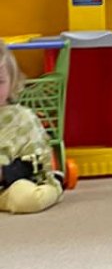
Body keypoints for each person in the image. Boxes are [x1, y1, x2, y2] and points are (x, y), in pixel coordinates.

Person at [0, 44, 63, 214]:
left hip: (13, 184)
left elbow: (36, 161)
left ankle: (55, 188)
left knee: (25, 198)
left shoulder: (22, 118)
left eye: (0, 82)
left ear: (12, 82)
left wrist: (5, 173)